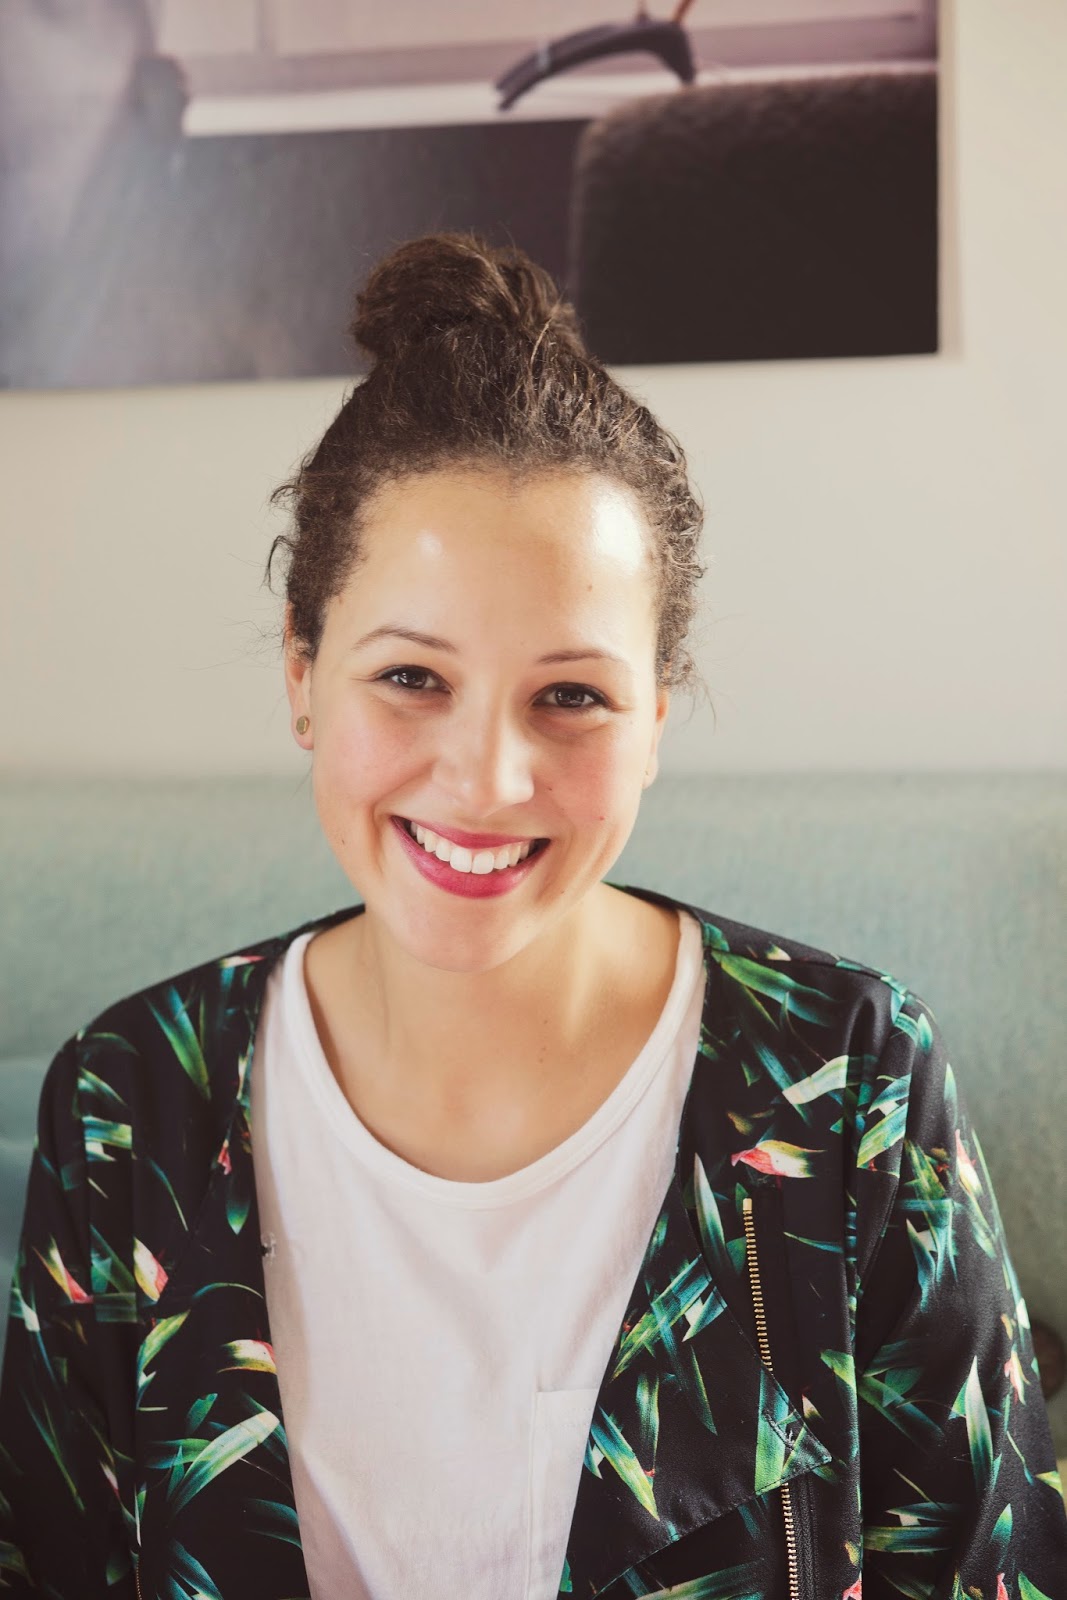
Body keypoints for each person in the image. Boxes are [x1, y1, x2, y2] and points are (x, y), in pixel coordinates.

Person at [0, 232, 1064, 1600]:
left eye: (572, 696)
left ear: (656, 720)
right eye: (412, 678)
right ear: (303, 677)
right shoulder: (130, 1099)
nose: (488, 779)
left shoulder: (848, 1074)